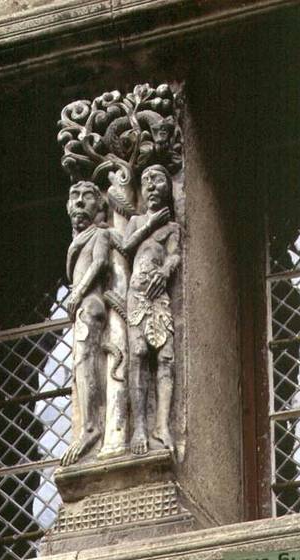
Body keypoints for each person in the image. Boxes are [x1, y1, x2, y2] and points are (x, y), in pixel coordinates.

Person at [123, 164, 181, 455]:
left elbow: (174, 255)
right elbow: (126, 246)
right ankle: (140, 428)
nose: (151, 186)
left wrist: (166, 272)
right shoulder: (136, 221)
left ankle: (162, 425)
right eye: (145, 181)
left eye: (157, 180)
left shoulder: (171, 228)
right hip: (137, 296)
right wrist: (149, 224)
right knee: (138, 354)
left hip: (159, 296)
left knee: (166, 356)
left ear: (167, 188)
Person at [61, 180, 110, 466]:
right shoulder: (80, 237)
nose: (79, 202)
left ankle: (91, 427)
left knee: (85, 361)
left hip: (90, 304)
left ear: (100, 205)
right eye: (74, 196)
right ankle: (90, 425)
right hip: (81, 306)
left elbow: (100, 263)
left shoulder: (99, 235)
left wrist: (78, 292)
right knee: (81, 363)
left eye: (88, 197)